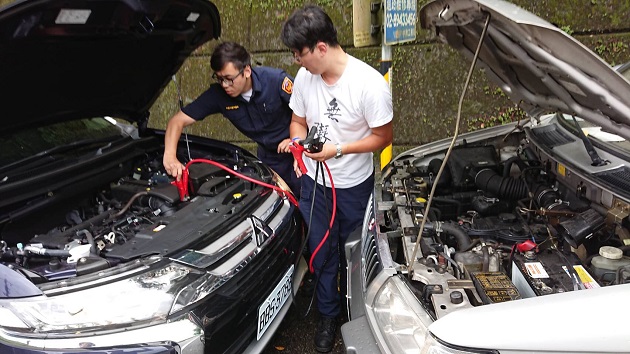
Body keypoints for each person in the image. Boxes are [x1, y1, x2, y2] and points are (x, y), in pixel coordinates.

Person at [280, 5, 393, 353]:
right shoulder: (304, 78)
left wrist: (338, 149)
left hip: (355, 188)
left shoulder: (368, 84)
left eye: (301, 54)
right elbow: (297, 121)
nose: (298, 61)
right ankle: (328, 317)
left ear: (321, 48)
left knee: (356, 255)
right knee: (322, 253)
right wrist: (300, 143)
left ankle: (358, 315)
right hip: (316, 185)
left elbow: (382, 137)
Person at [163, 41, 299, 196]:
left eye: (229, 78)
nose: (225, 85)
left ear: (246, 70)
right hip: (270, 159)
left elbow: (310, 112)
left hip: (299, 151)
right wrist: (170, 156)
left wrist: (295, 139)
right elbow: (177, 121)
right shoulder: (218, 95)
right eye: (220, 79)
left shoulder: (276, 81)